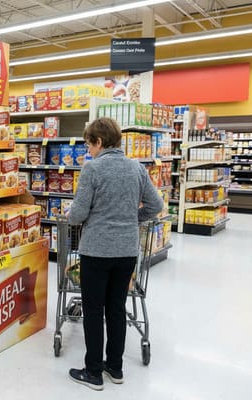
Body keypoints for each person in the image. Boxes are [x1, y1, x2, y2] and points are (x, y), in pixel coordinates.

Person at [66, 117, 164, 391]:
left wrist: (71, 215)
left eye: (89, 144)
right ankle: (115, 368)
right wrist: (133, 219)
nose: (89, 150)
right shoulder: (136, 167)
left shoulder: (92, 169)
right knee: (117, 309)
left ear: (98, 141)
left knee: (94, 311)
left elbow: (79, 214)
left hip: (97, 250)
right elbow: (155, 205)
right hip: (126, 252)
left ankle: (94, 372)